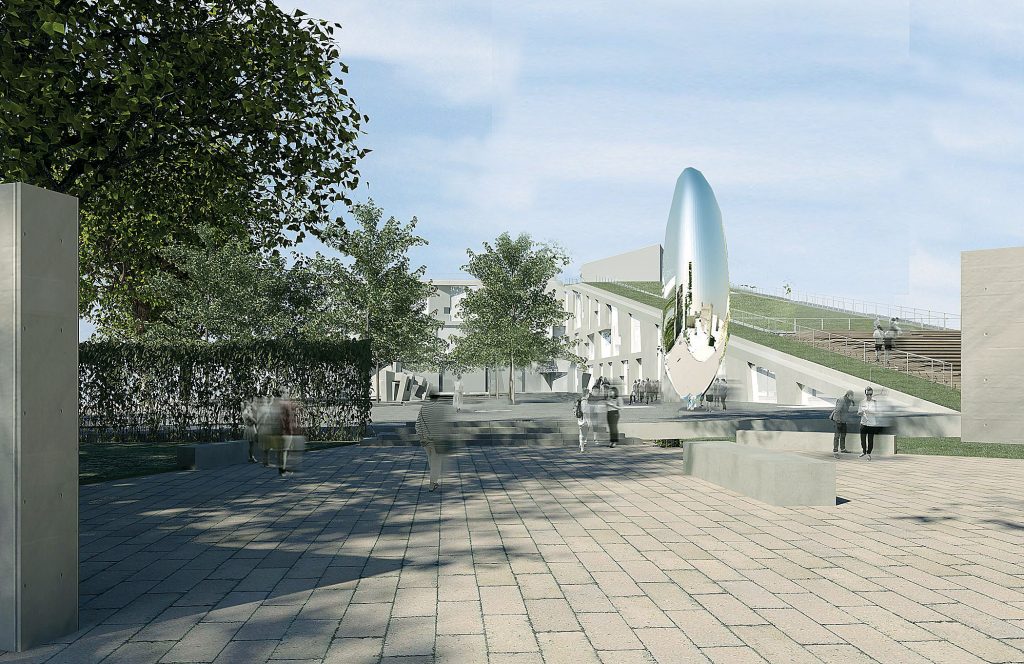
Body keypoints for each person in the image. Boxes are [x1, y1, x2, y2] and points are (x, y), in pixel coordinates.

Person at [416, 394, 453, 491]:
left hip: (425, 440)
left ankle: (433, 479)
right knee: (436, 462)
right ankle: (432, 483)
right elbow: (443, 424)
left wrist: (421, 436)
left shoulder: (423, 408)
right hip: (437, 440)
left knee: (431, 460)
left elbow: (417, 424)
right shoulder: (440, 408)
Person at [857, 386, 881, 459]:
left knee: (870, 440)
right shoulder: (862, 402)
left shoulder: (875, 402)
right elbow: (858, 413)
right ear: (865, 394)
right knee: (862, 439)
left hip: (871, 424)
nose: (869, 396)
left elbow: (878, 413)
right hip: (863, 423)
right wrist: (861, 412)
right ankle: (864, 451)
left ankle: (869, 453)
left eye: (870, 394)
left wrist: (870, 412)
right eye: (867, 394)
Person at [830, 390, 855, 456]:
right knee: (837, 435)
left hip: (843, 420)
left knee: (843, 435)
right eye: (852, 396)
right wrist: (838, 421)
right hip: (837, 420)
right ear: (847, 395)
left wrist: (853, 402)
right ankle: (835, 450)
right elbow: (837, 411)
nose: (853, 397)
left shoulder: (849, 401)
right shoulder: (841, 400)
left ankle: (843, 449)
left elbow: (849, 406)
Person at [242, 399, 259, 463]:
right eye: (249, 405)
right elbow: (253, 421)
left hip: (251, 427)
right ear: (247, 406)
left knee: (251, 444)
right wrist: (254, 421)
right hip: (250, 429)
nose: (250, 406)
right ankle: (251, 457)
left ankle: (251, 457)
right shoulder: (246, 412)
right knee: (251, 444)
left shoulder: (247, 412)